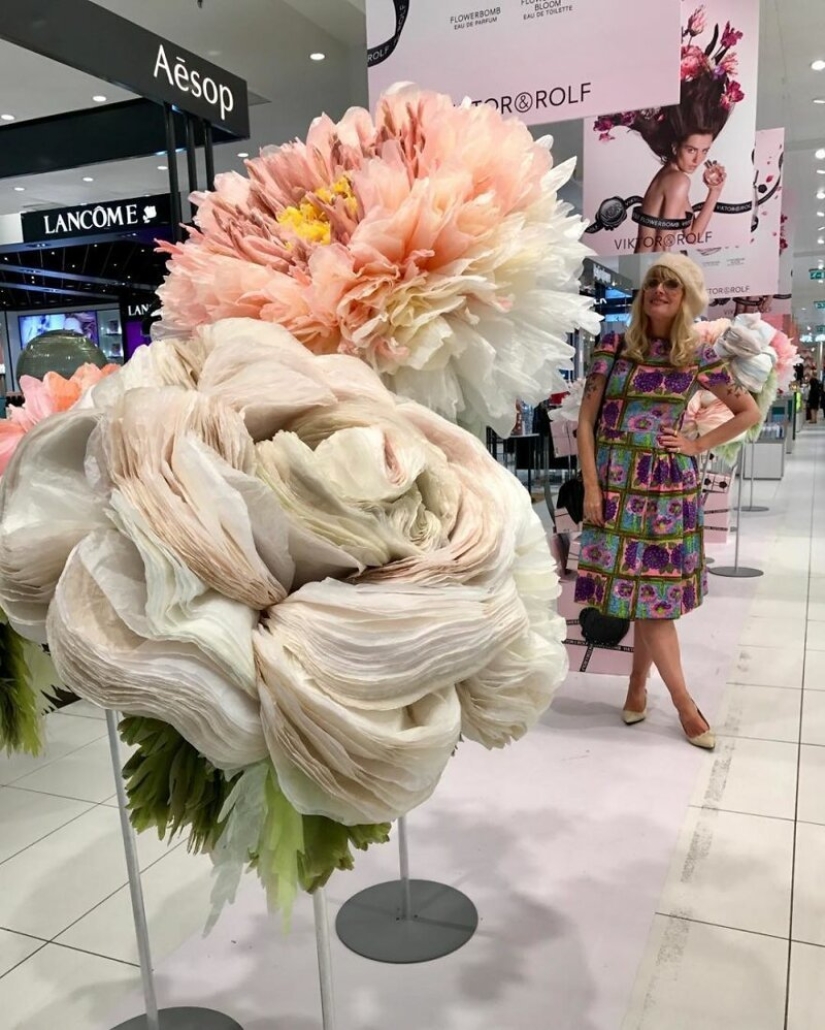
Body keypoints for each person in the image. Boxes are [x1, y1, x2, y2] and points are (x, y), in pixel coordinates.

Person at [575, 254, 760, 749]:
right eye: (653, 281)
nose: (659, 289)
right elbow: (585, 422)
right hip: (616, 485)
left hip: (666, 490)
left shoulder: (697, 355)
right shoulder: (612, 346)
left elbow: (746, 410)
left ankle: (660, 695)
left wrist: (698, 445)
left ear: (685, 298)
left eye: (671, 285)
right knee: (640, 594)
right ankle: (661, 696)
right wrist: (592, 487)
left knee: (654, 599)